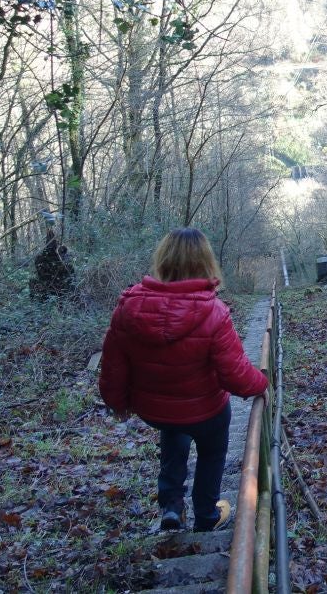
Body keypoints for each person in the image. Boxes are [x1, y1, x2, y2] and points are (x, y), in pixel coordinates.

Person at [99, 227, 268, 532]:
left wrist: (117, 403)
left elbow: (112, 366)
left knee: (173, 432)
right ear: (205, 262)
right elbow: (235, 375)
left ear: (163, 260)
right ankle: (206, 514)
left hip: (155, 411)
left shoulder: (128, 307)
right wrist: (262, 383)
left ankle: (172, 506)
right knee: (212, 449)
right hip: (205, 411)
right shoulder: (214, 311)